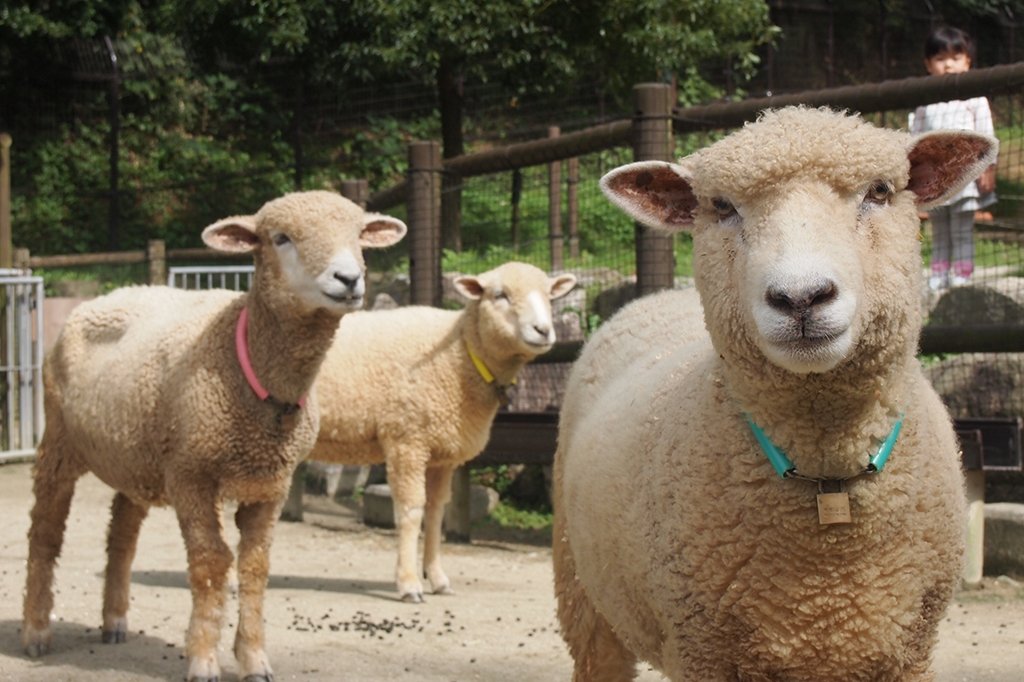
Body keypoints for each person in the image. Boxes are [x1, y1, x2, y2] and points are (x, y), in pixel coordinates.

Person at [910, 26, 997, 291]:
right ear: (928, 64)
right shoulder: (926, 103)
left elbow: (988, 135)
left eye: (956, 57)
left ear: (968, 61)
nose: (948, 65)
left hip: (967, 180)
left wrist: (989, 169)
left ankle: (962, 277)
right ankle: (938, 276)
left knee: (961, 230)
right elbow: (915, 142)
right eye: (940, 59)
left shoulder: (975, 99)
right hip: (934, 184)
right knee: (939, 232)